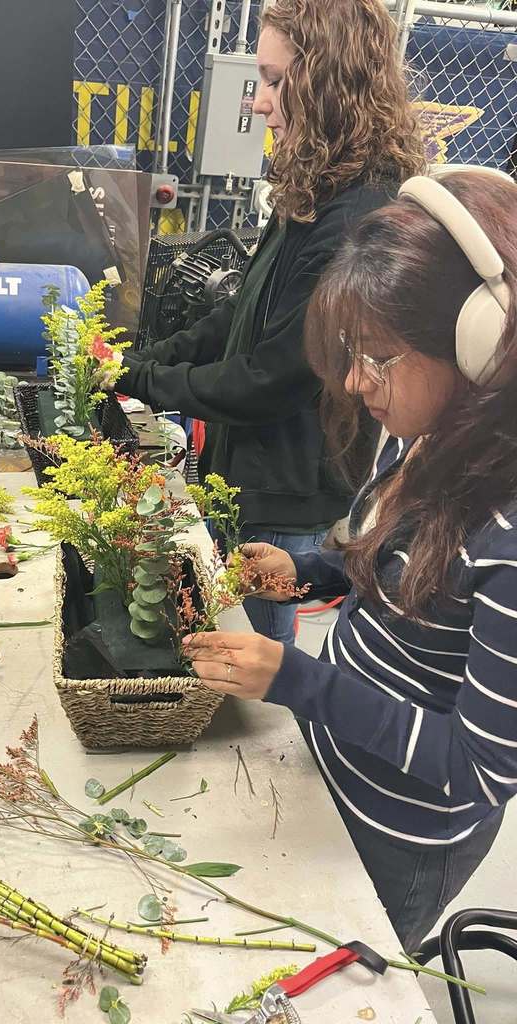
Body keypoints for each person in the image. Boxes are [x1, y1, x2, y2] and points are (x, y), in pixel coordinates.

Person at [184, 170, 517, 953]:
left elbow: (476, 770)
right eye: (351, 353)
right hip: (327, 770)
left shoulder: (508, 535)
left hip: (394, 839)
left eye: (382, 357)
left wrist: (295, 679)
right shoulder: (427, 429)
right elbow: (396, 569)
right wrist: (310, 572)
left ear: (481, 344)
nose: (357, 381)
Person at [116, 0, 426, 644]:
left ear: (331, 82)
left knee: (249, 664)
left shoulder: (356, 217)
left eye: (277, 80)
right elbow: (242, 310)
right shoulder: (320, 190)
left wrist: (147, 382)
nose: (259, 102)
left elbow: (272, 378)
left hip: (286, 491)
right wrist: (142, 360)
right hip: (252, 473)